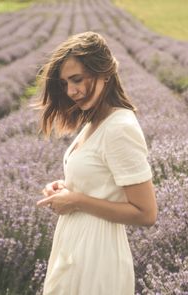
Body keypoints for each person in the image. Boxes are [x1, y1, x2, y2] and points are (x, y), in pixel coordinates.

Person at [36, 31, 157, 295]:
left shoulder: (119, 127)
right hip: (75, 245)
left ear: (104, 73)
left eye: (77, 79)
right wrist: (66, 188)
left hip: (97, 255)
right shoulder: (94, 122)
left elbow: (146, 213)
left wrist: (76, 200)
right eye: (65, 84)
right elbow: (101, 182)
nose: (71, 91)